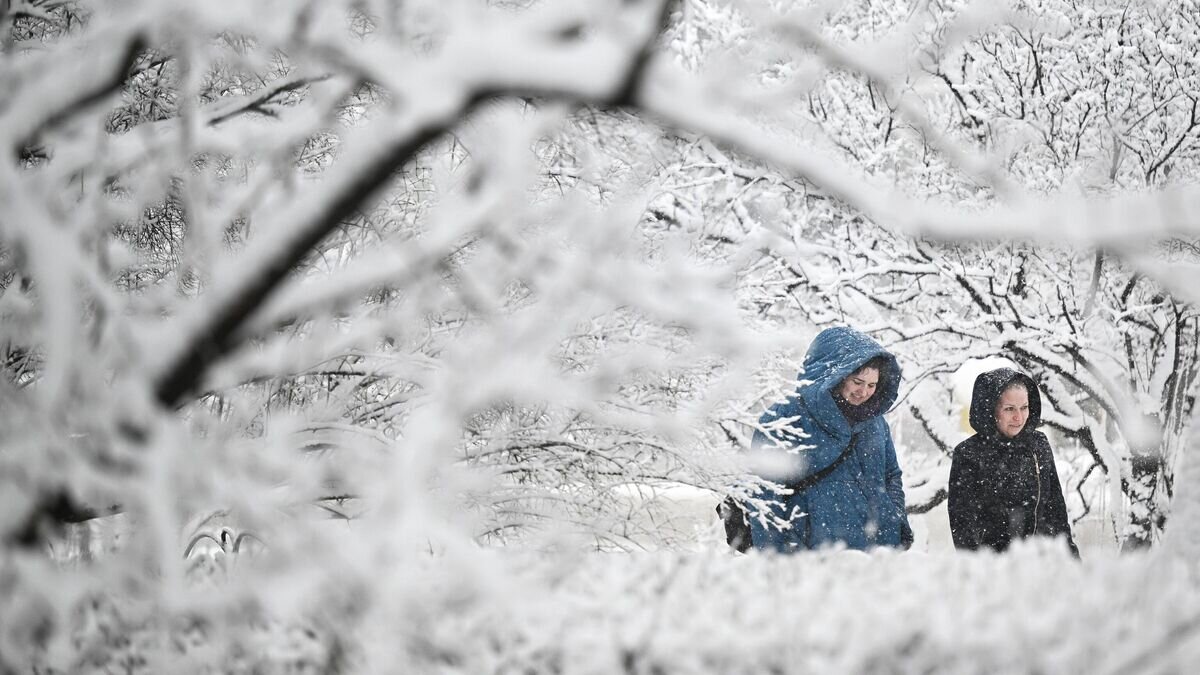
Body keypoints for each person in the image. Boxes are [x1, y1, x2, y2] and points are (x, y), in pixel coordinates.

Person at [746, 326, 912, 552]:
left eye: (872, 385)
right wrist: (777, 555)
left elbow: (891, 475)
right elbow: (765, 494)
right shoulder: (783, 418)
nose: (864, 392)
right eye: (857, 382)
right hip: (813, 556)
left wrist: (895, 519)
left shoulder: (876, 423)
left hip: (878, 553)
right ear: (835, 375)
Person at [948, 368, 1080, 557]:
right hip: (996, 568)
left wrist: (1071, 560)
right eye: (1009, 409)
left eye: (1024, 407)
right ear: (991, 410)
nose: (1019, 417)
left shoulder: (1038, 445)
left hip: (1043, 564)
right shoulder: (969, 454)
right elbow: (963, 529)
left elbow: (1056, 513)